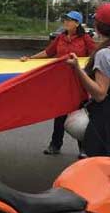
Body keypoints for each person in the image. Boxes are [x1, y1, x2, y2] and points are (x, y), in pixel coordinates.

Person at [22, 11, 96, 156]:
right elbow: (48, 52)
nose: (66, 22)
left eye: (70, 20)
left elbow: (95, 56)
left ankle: (84, 148)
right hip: (61, 83)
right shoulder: (61, 38)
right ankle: (55, 145)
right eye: (65, 20)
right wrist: (30, 58)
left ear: (77, 23)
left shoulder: (85, 39)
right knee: (60, 115)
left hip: (79, 83)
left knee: (80, 116)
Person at [65, 3, 110, 159]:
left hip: (103, 114)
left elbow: (100, 93)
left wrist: (77, 69)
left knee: (98, 158)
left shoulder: (105, 54)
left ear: (98, 25)